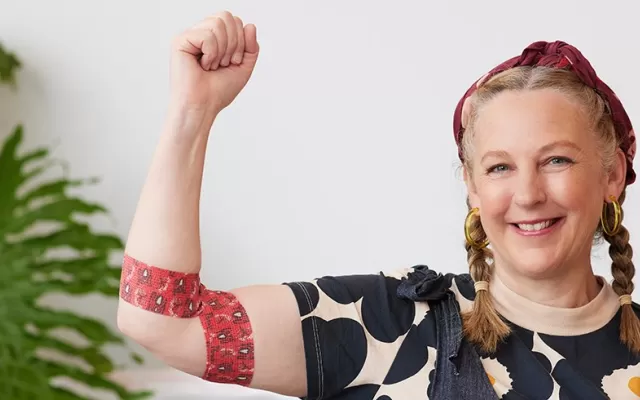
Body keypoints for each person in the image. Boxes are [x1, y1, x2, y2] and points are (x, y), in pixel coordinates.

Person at [116, 11, 638, 400]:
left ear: (612, 173)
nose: (527, 194)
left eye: (556, 161)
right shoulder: (384, 324)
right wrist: (193, 112)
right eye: (499, 167)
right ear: (473, 189)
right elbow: (163, 323)